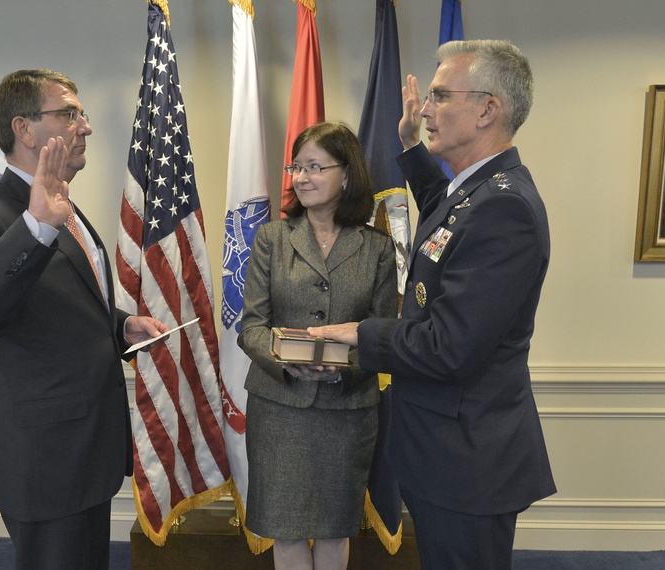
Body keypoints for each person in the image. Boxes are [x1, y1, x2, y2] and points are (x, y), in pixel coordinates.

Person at [310, 40, 556, 569]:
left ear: (488, 109)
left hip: (469, 460)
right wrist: (411, 150)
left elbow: (450, 347)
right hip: (449, 450)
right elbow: (447, 221)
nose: (424, 109)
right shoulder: (480, 192)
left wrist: (362, 333)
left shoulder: (503, 209)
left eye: (441, 96)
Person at [0, 69, 168, 570]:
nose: (84, 126)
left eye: (81, 113)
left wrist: (119, 325)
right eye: (69, 113)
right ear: (24, 129)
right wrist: (35, 226)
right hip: (45, 461)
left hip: (86, 450)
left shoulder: (64, 203)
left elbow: (55, 304)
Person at [237, 121, 397, 570]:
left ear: (346, 175)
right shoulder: (272, 238)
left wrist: (343, 368)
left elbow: (385, 334)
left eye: (314, 167)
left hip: (347, 411)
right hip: (280, 407)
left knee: (334, 529)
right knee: (285, 532)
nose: (301, 177)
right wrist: (288, 364)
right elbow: (251, 327)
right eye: (296, 167)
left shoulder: (378, 248)